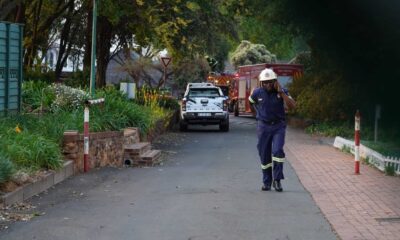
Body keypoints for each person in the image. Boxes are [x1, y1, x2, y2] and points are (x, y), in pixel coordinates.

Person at [248, 68, 296, 192]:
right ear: (261, 83)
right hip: (263, 127)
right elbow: (250, 102)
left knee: (278, 151)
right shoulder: (257, 92)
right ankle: (267, 181)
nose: (268, 85)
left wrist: (282, 93)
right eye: (265, 82)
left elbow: (292, 106)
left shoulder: (281, 92)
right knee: (264, 154)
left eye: (270, 82)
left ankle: (277, 180)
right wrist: (256, 114)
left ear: (275, 81)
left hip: (278, 126)